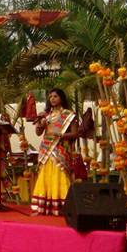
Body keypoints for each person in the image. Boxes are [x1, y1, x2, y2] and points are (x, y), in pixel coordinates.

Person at [31, 88, 79, 216]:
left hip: (60, 149)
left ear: (61, 98)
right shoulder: (46, 115)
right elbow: (38, 133)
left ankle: (64, 208)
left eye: (55, 96)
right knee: (45, 176)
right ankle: (44, 207)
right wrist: (40, 123)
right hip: (46, 149)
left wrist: (60, 135)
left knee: (60, 175)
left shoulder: (69, 115)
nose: (52, 98)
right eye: (50, 96)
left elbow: (75, 133)